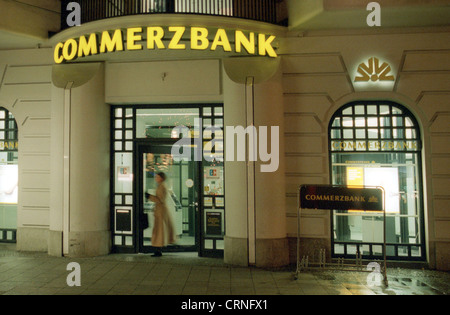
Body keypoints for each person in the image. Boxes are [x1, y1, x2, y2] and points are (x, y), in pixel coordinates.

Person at [145, 172, 176, 257]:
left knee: (159, 231)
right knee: (159, 230)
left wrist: (149, 197)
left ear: (161, 178)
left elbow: (160, 199)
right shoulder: (161, 186)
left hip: (160, 211)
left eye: (157, 177)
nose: (156, 178)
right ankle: (158, 249)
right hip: (160, 211)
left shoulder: (162, 186)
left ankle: (158, 249)